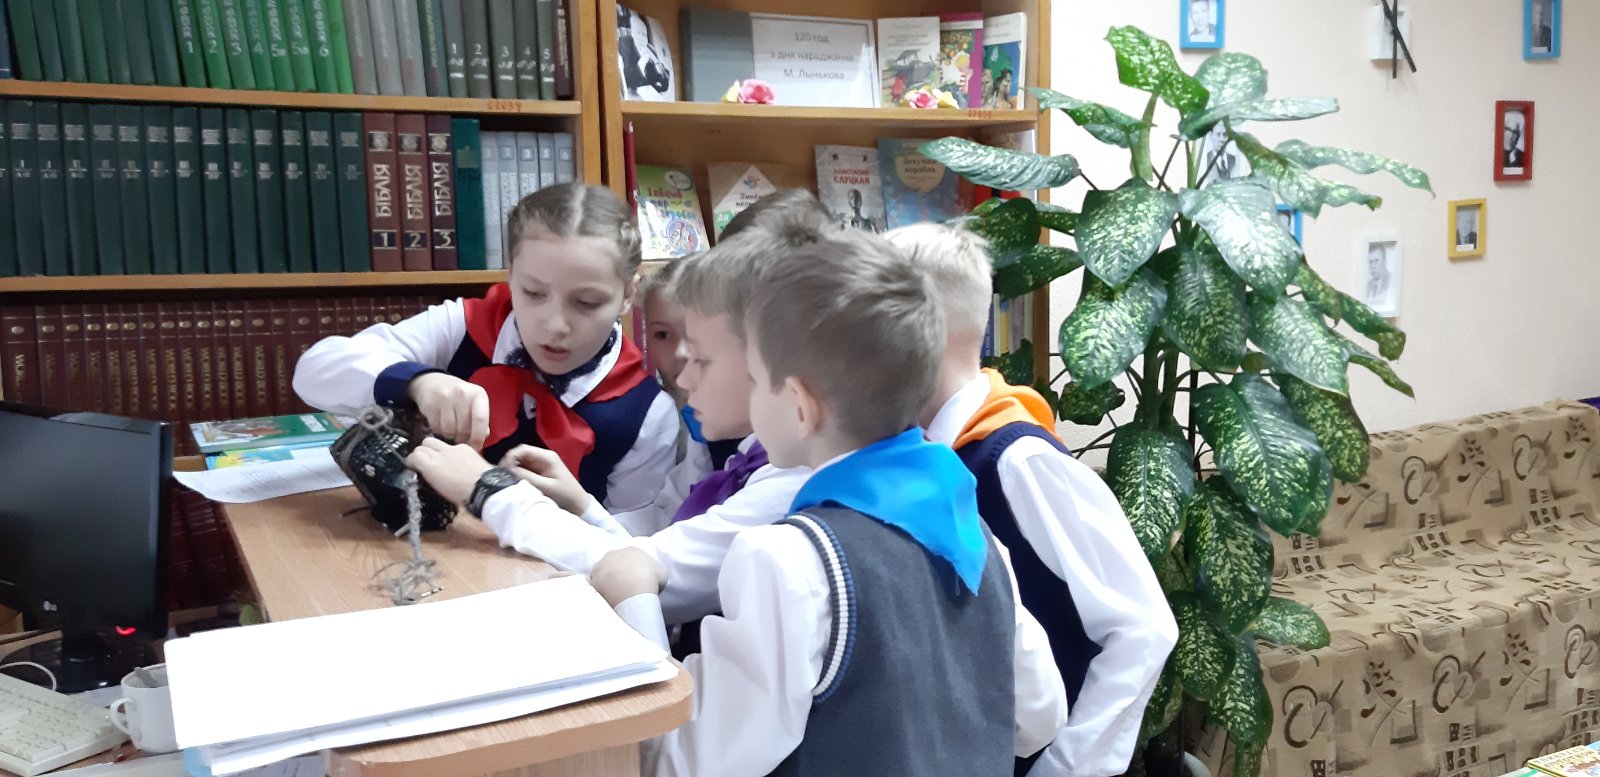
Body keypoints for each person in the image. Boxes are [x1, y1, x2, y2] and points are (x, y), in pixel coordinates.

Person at [592, 225, 1067, 776]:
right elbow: (1039, 717)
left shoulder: (785, 561)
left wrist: (634, 602)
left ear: (799, 404)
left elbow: (684, 759)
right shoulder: (979, 538)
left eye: (756, 379)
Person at [402, 192, 835, 634]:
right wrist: (581, 504)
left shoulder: (797, 480)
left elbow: (650, 577)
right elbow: (656, 540)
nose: (682, 376)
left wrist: (490, 491)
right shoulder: (743, 443)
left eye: (703, 357)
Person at [886, 223, 1177, 777]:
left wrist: (1063, 768)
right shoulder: (919, 454)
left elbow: (1143, 629)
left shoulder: (1020, 462)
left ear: (921, 328)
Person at [293, 182, 679, 516]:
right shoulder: (464, 325)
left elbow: (636, 546)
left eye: (587, 303)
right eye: (533, 293)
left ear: (628, 294)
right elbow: (315, 370)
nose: (555, 325)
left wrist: (581, 509)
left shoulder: (645, 414)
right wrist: (420, 382)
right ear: (510, 273)